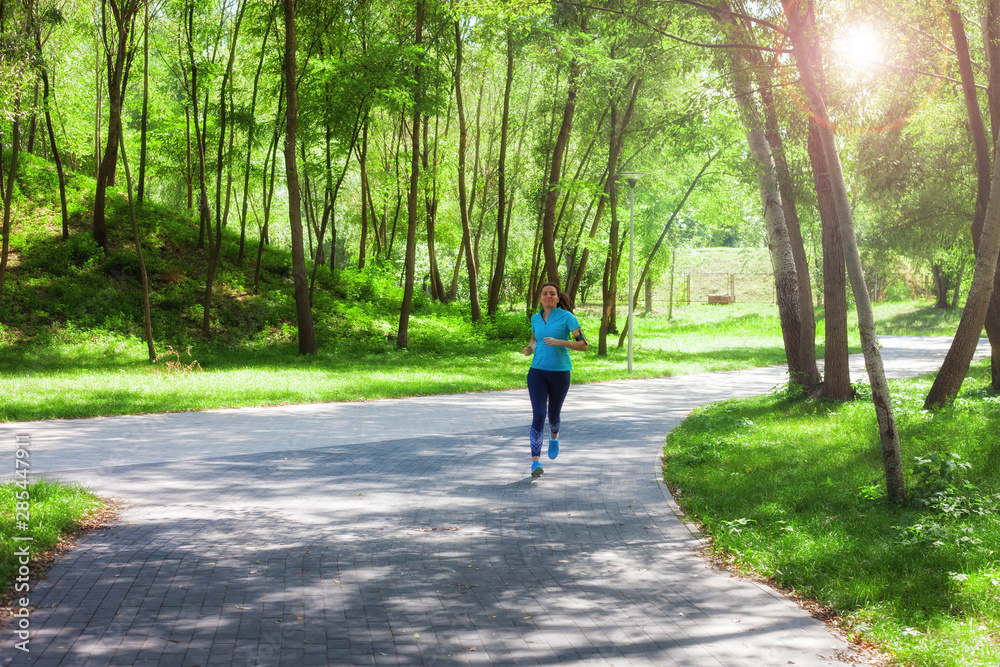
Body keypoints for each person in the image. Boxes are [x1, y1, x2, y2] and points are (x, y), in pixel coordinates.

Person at [522, 282, 588, 477]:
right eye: (545, 294)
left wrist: (560, 342)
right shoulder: (535, 318)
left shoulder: (567, 318)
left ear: (558, 298)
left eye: (552, 294)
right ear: (540, 298)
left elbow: (583, 345)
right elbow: (534, 338)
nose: (548, 296)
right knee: (539, 415)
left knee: (553, 416)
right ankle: (535, 462)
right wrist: (530, 348)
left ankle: (554, 436)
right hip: (537, 372)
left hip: (560, 372)